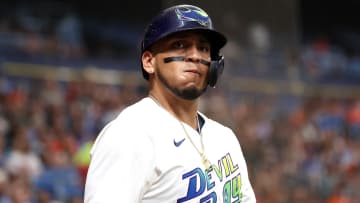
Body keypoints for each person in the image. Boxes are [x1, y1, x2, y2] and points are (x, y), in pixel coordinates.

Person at [84, 4, 256, 203]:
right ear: (149, 61)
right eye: (179, 45)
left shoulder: (225, 138)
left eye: (203, 48)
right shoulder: (129, 136)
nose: (195, 55)